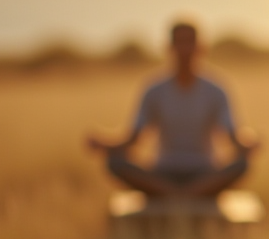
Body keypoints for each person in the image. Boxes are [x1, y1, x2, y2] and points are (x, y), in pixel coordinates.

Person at [87, 21, 258, 197]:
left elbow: (232, 137)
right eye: (179, 43)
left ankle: (173, 196)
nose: (185, 50)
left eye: (189, 42)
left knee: (242, 164)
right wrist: (105, 143)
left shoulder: (216, 89)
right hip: (163, 171)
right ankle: (188, 195)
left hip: (204, 172)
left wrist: (250, 144)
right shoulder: (154, 89)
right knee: (114, 163)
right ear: (170, 48)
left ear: (200, 48)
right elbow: (133, 139)